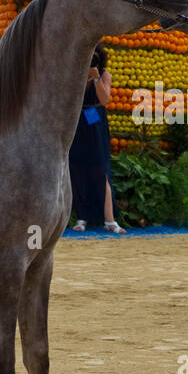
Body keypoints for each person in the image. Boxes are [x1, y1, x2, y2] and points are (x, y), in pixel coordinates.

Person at [68, 45, 124, 234]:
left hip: (95, 117)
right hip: (78, 119)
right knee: (77, 169)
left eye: (95, 59)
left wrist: (95, 77)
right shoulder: (75, 73)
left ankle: (109, 219)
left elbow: (105, 99)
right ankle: (82, 216)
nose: (91, 62)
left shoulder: (103, 75)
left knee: (101, 169)